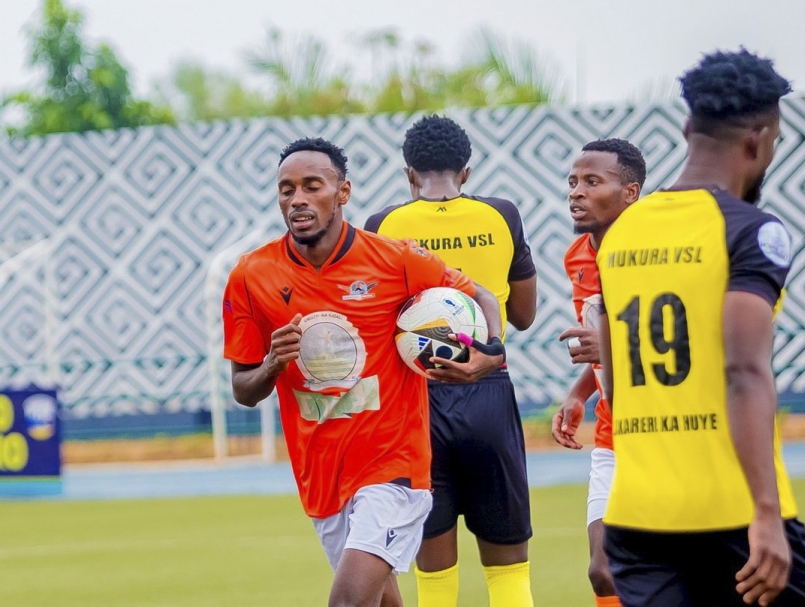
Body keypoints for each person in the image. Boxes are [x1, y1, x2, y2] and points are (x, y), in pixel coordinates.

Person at [222, 137, 507, 607]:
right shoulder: (251, 276)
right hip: (321, 474)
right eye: (286, 190)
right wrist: (272, 363)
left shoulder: (398, 259)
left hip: (393, 467)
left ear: (343, 192)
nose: (297, 199)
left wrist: (491, 352)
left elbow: (483, 297)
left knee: (348, 602)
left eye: (312, 186)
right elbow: (243, 390)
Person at [595, 49, 805, 607]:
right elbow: (743, 371)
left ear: (687, 130)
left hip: (636, 515)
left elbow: (616, 384)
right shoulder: (751, 230)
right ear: (759, 139)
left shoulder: (620, 233)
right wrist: (766, 514)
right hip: (731, 511)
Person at [365, 115, 538, 607]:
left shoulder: (383, 225)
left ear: (409, 173)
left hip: (417, 402)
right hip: (488, 389)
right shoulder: (502, 214)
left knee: (435, 576)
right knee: (508, 569)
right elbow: (523, 315)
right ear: (466, 172)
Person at [551, 138, 646, 607]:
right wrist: (579, 392)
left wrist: (610, 350)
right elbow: (600, 342)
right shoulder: (576, 255)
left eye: (592, 181)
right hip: (611, 432)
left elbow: (679, 342)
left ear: (630, 192)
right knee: (603, 571)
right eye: (573, 181)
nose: (576, 191)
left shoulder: (654, 252)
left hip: (664, 432)